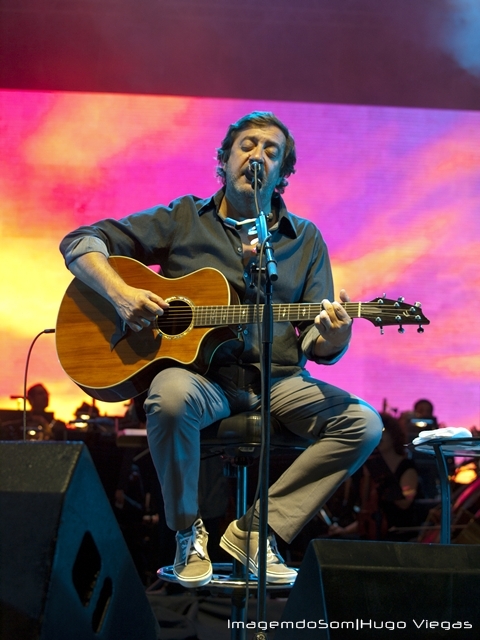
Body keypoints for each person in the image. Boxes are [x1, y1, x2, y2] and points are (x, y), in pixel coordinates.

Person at [59, 111, 383, 588]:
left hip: (279, 381)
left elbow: (316, 340)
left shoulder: (306, 239)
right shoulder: (183, 219)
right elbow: (81, 241)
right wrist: (121, 294)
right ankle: (187, 533)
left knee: (364, 424)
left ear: (283, 172)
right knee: (168, 397)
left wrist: (334, 336)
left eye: (271, 151)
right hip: (203, 380)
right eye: (247, 145)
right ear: (225, 159)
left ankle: (256, 530)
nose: (258, 156)